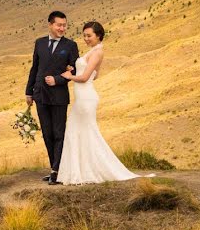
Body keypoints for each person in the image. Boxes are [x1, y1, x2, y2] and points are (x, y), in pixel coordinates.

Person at [57, 21, 153, 185]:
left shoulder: (98, 52)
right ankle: (80, 171)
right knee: (77, 132)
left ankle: (88, 171)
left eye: (89, 35)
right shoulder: (93, 51)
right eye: (84, 35)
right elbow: (96, 75)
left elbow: (86, 78)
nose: (86, 38)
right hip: (83, 97)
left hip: (86, 98)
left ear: (98, 36)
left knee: (84, 132)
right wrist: (76, 70)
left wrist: (69, 76)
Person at [25, 11, 79, 185]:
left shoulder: (70, 45)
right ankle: (53, 169)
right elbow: (35, 68)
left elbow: (75, 71)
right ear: (50, 24)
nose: (62, 28)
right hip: (40, 94)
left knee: (58, 133)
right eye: (59, 25)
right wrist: (29, 92)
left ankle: (58, 170)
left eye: (64, 25)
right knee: (47, 134)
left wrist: (57, 79)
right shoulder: (39, 43)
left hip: (59, 96)